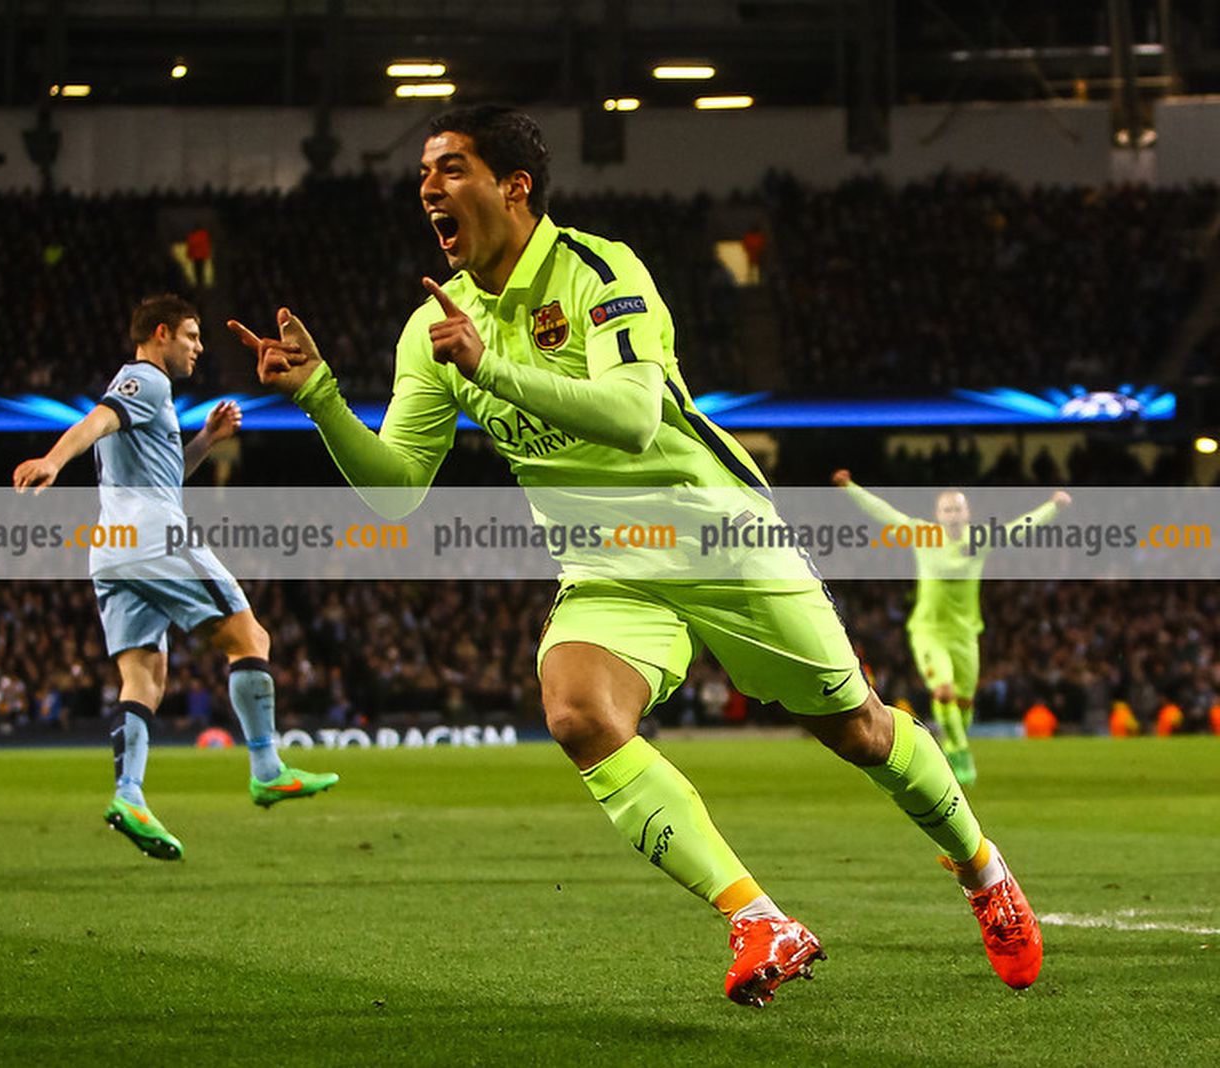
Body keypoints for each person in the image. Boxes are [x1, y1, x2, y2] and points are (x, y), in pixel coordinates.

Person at [229, 105, 1043, 1006]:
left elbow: (631, 417)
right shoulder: (433, 327)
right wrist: (321, 397)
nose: (429, 187)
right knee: (578, 710)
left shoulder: (598, 271)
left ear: (515, 186)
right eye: (424, 173)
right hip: (608, 567)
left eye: (452, 168)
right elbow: (396, 487)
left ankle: (982, 868)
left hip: (717, 535)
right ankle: (757, 917)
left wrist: (491, 368)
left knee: (859, 731)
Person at [12, 293, 337, 861]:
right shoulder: (146, 379)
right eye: (191, 336)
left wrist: (206, 442)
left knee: (144, 678)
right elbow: (98, 418)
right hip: (153, 538)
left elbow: (162, 476)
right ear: (161, 333)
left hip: (113, 550)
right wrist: (53, 461)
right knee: (250, 638)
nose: (198, 347)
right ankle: (266, 767)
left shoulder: (150, 397)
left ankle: (130, 795)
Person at [832, 472, 1069, 785]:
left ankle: (954, 739)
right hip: (928, 631)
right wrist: (850, 488)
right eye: (947, 510)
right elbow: (884, 513)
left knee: (964, 703)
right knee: (943, 691)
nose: (953, 515)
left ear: (967, 513)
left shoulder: (978, 539)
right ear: (938, 515)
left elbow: (1018, 531)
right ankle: (959, 751)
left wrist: (1052, 507)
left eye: (958, 509)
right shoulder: (924, 535)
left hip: (965, 634)